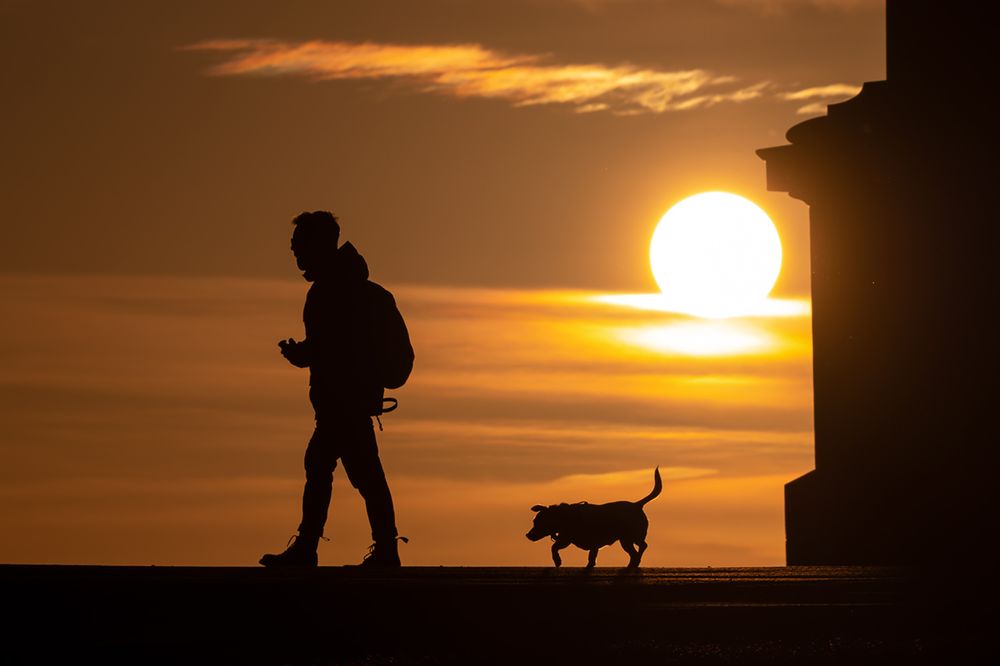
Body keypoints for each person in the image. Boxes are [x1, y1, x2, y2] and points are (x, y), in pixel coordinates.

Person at [260, 211, 405, 567]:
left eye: (300, 247)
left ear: (320, 245)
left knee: (333, 466)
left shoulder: (337, 292)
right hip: (339, 400)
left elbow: (338, 346)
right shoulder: (335, 291)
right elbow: (327, 345)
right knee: (357, 472)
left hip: (345, 401)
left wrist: (307, 355)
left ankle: (314, 548)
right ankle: (381, 549)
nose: (296, 255)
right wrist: (303, 354)